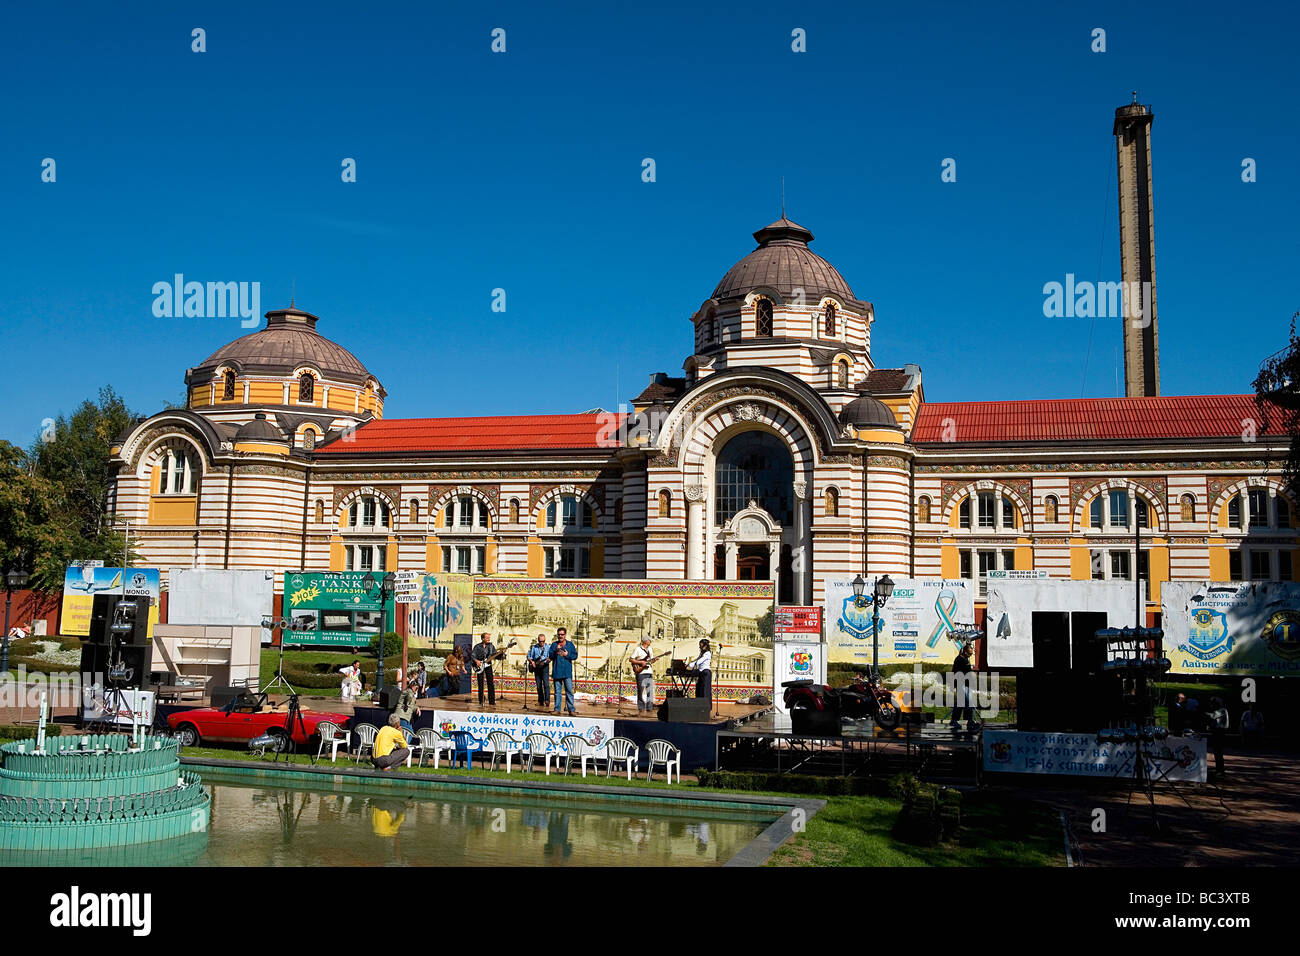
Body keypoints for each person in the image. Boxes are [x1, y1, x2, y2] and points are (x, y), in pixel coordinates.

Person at [548, 628, 579, 716]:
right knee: (557, 692)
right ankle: (557, 709)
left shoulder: (570, 644)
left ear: (565, 635)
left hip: (567, 672)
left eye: (562, 634)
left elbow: (575, 656)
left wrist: (567, 655)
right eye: (559, 634)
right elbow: (550, 656)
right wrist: (556, 651)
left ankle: (571, 709)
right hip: (557, 671)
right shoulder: (554, 645)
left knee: (569, 691)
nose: (560, 636)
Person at [950, 642, 976, 734]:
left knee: (967, 703)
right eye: (970, 653)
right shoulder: (960, 660)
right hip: (961, 684)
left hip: (966, 685)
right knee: (962, 703)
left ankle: (968, 721)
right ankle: (955, 720)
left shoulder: (965, 659)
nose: (971, 655)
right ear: (965, 652)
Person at [471, 632, 498, 706]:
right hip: (479, 667)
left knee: (490, 683)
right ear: (483, 638)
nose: (489, 639)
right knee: (480, 683)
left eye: (489, 638)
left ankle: (492, 701)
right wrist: (476, 661)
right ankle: (481, 700)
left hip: (488, 666)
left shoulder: (491, 646)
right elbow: (472, 656)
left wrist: (501, 654)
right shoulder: (477, 647)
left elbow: (495, 655)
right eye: (487, 638)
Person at [630, 636, 656, 713]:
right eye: (649, 640)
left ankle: (649, 707)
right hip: (641, 672)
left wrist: (654, 660)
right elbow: (631, 659)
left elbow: (651, 660)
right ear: (645, 641)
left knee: (650, 690)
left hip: (649, 671)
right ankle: (641, 707)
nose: (650, 642)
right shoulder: (638, 649)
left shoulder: (650, 649)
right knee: (640, 690)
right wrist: (640, 662)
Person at [1207, 696, 1229, 777]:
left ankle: (1221, 770)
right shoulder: (1218, 711)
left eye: (1213, 703)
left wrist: (1204, 713)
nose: (1211, 705)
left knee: (1218, 752)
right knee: (1216, 752)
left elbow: (1213, 716)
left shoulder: (1222, 710)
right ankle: (1218, 769)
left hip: (1220, 733)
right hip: (1216, 732)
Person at [527, 633, 550, 707]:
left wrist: (546, 661)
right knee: (538, 685)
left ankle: (547, 700)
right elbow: (529, 656)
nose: (542, 643)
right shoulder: (534, 647)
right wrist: (532, 662)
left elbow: (550, 657)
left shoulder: (548, 647)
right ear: (538, 641)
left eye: (543, 641)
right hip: (537, 667)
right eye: (540, 641)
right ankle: (540, 700)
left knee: (546, 684)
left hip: (544, 666)